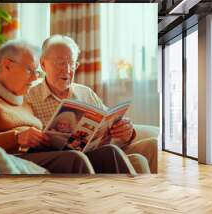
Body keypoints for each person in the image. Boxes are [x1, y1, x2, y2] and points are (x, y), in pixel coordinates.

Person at [0, 40, 95, 174]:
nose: (35, 78)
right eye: (30, 70)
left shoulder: (24, 102)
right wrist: (16, 138)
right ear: (7, 65)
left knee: (109, 152)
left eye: (37, 72)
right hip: (13, 158)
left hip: (42, 153)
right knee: (75, 159)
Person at [26, 35, 157, 173]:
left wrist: (126, 132)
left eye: (72, 64)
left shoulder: (85, 93)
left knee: (152, 146)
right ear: (43, 64)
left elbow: (109, 123)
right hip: (65, 161)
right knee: (128, 158)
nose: (67, 70)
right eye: (60, 63)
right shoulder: (29, 95)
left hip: (99, 152)